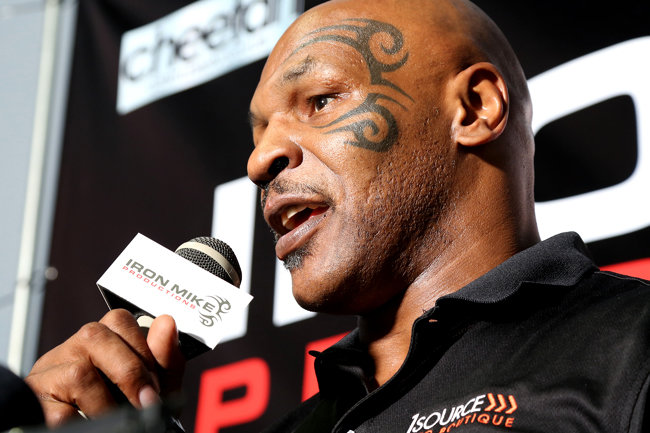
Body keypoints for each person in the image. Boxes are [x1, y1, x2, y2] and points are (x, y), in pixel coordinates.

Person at [20, 0, 650, 431]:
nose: (259, 160)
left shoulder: (632, 346)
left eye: (320, 101)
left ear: (474, 108)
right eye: (259, 132)